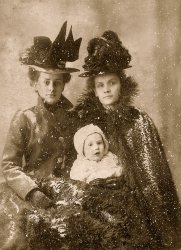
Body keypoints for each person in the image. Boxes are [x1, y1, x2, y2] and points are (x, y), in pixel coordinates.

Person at [73, 30, 181, 249]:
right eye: (100, 85)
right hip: (99, 201)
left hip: (135, 204)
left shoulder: (138, 120)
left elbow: (153, 177)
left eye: (111, 83)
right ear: (93, 90)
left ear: (121, 83)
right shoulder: (88, 123)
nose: (106, 90)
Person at [0, 21, 81, 249]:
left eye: (57, 82)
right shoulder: (25, 118)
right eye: (46, 82)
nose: (51, 88)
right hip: (33, 193)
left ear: (65, 84)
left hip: (69, 191)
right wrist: (32, 193)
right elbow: (9, 167)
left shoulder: (75, 119)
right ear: (35, 83)